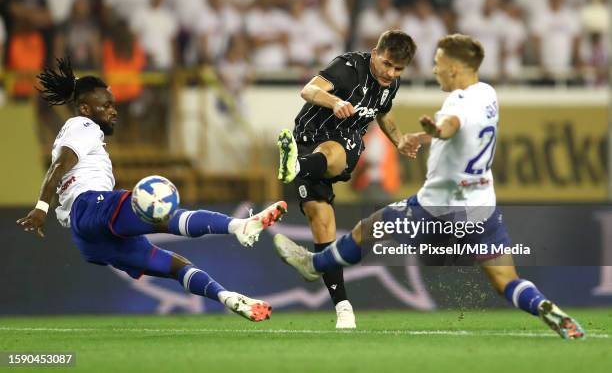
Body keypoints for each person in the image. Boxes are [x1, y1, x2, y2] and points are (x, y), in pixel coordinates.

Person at [273, 34, 585, 340]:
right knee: (506, 280)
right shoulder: (488, 94)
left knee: (367, 229)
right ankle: (544, 305)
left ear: (453, 68)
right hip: (480, 204)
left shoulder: (456, 103)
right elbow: (461, 131)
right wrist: (418, 138)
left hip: (436, 204)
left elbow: (451, 126)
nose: (433, 70)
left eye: (438, 64)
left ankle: (314, 263)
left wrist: (437, 129)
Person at [16, 58, 287, 322]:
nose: (114, 111)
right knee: (162, 214)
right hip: (91, 206)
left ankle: (226, 297)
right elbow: (59, 166)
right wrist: (41, 208)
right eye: (106, 105)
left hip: (88, 239)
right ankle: (239, 226)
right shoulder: (82, 125)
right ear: (85, 109)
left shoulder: (81, 131)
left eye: (113, 104)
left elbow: (62, 168)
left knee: (175, 266)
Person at [276, 30, 420, 328]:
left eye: (398, 69)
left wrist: (399, 140)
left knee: (334, 151)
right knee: (321, 220)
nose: (391, 73)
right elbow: (308, 90)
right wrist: (333, 102)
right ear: (376, 52)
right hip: (306, 139)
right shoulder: (349, 67)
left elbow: (384, 114)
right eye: (387, 65)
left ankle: (298, 168)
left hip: (343, 140)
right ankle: (344, 309)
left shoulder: (389, 85)